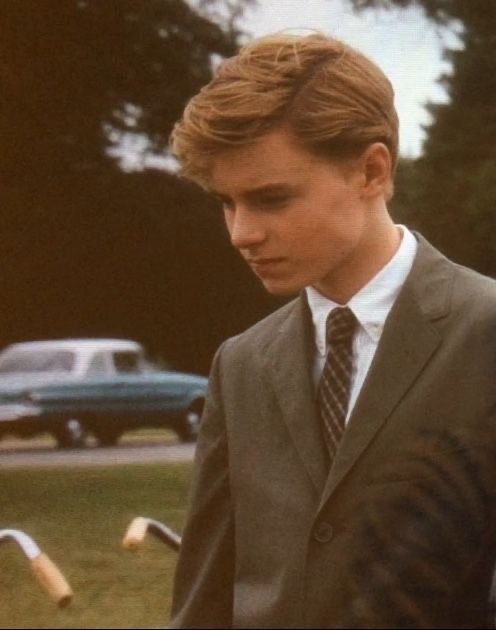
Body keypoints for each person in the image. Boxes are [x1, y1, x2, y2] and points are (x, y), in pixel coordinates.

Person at [168, 32, 496, 629]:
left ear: (371, 170)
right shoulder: (241, 364)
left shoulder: (485, 333)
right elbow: (205, 598)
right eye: (227, 202)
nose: (241, 232)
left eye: (270, 198)